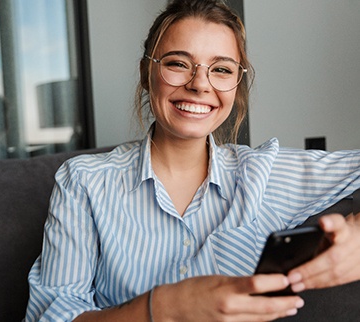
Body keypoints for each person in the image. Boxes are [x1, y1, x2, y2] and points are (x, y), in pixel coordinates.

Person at [25, 0, 360, 321]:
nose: (200, 84)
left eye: (222, 69)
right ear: (146, 73)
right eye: (177, 63)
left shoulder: (264, 173)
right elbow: (52, 316)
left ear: (236, 84)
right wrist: (165, 308)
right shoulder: (84, 181)